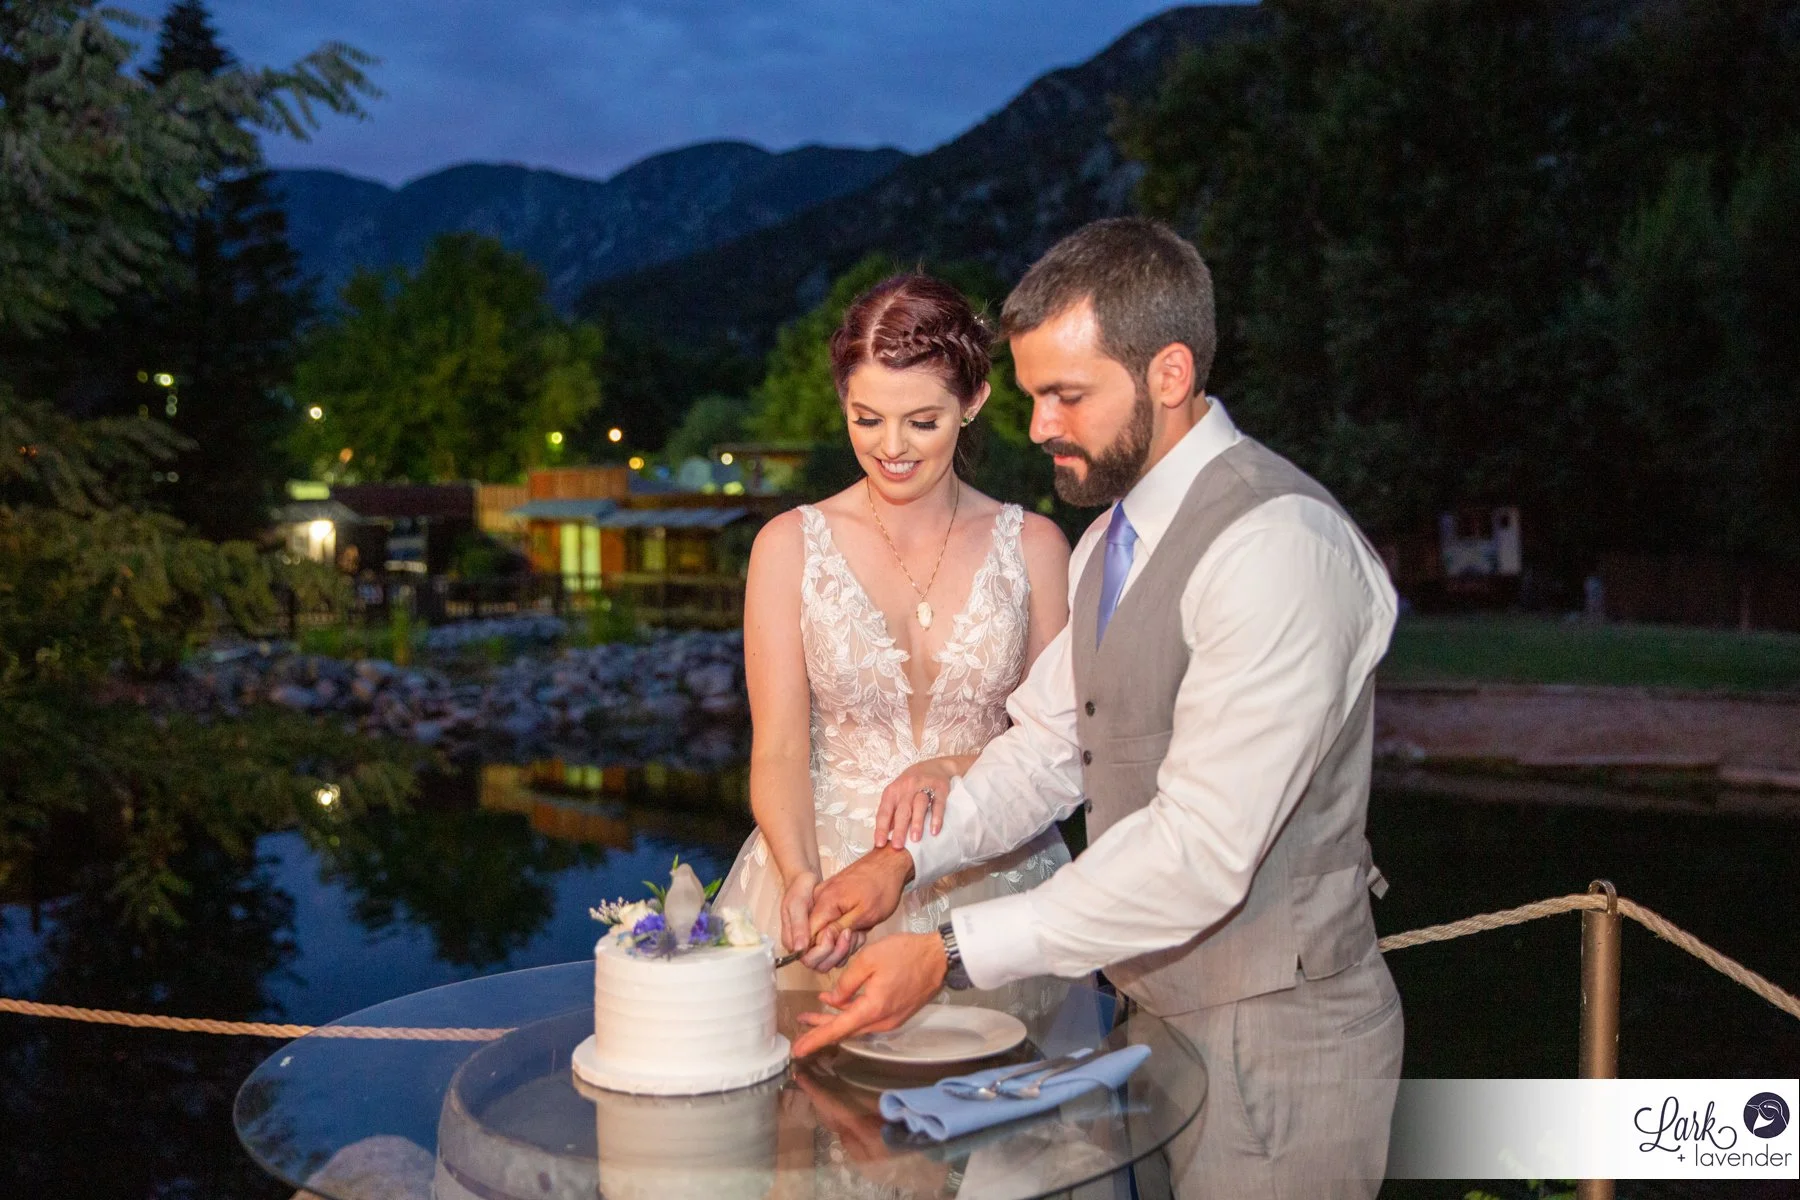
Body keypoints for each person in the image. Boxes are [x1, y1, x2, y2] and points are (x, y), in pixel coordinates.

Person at [791, 219, 1404, 1199]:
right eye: (1034, 395)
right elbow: (1045, 749)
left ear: (1168, 374)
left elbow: (1199, 850)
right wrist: (901, 862)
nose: (1038, 427)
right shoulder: (1109, 543)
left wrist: (946, 952)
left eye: (1066, 396)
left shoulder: (1277, 548)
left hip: (1279, 1046)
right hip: (1151, 1026)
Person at [711, 273, 1072, 992]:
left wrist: (954, 767)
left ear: (973, 402)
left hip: (994, 876)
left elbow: (1058, 743)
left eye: (922, 422)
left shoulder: (1035, 548)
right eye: (867, 418)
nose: (892, 447)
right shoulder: (789, 546)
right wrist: (799, 876)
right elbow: (779, 749)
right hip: (825, 870)